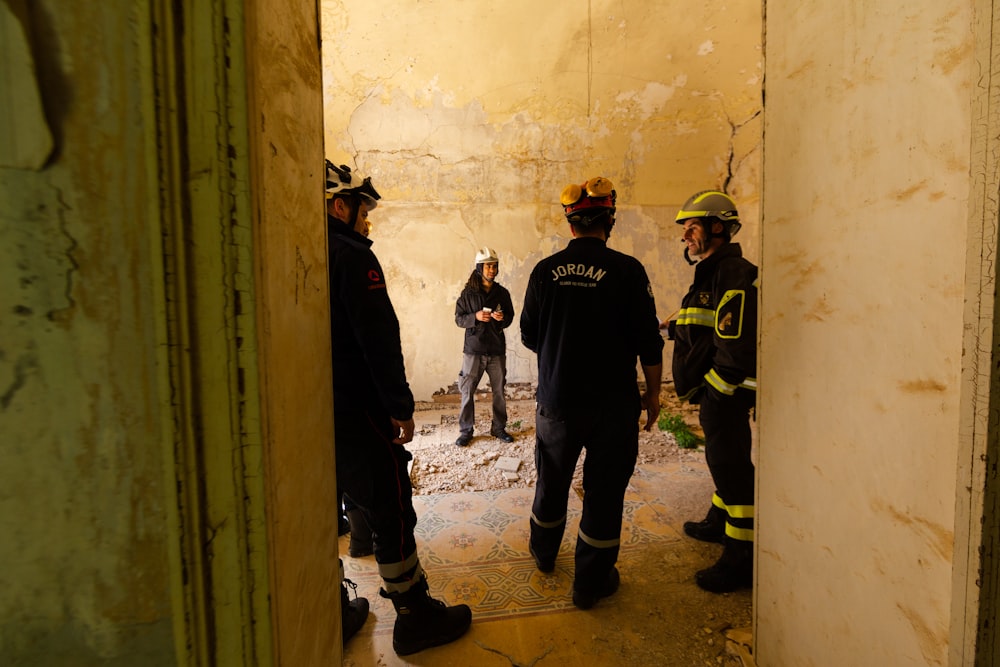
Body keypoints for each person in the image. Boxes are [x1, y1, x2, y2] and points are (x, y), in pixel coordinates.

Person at [325, 160, 472, 654]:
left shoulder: (298, 252)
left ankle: (334, 607)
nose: (368, 222)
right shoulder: (350, 256)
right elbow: (379, 339)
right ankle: (413, 617)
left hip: (319, 411)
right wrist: (400, 406)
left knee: (336, 504)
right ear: (338, 206)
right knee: (391, 505)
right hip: (359, 408)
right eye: (362, 211)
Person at [520, 175, 663, 610]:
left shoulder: (545, 271)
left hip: (557, 403)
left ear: (570, 225)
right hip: (612, 409)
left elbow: (528, 334)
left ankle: (544, 555)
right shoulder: (627, 270)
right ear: (609, 221)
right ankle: (589, 585)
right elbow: (649, 343)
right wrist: (653, 396)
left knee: (552, 482)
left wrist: (561, 344)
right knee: (603, 494)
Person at [665, 190, 758, 594]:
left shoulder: (733, 272)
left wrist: (716, 395)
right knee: (722, 462)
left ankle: (740, 559)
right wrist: (669, 328)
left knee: (733, 470)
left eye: (692, 227)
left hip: (727, 394)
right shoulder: (711, 271)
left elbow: (734, 349)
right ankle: (718, 521)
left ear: (717, 227)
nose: (686, 236)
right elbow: (704, 327)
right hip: (716, 394)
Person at [454, 247, 516, 447]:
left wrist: (502, 318)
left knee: (499, 391)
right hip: (473, 350)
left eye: (494, 265)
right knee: (467, 391)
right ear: (480, 267)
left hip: (496, 350)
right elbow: (459, 319)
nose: (492, 269)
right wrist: (475, 317)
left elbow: (510, 317)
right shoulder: (468, 293)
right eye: (488, 265)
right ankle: (466, 431)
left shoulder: (502, 293)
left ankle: (498, 428)